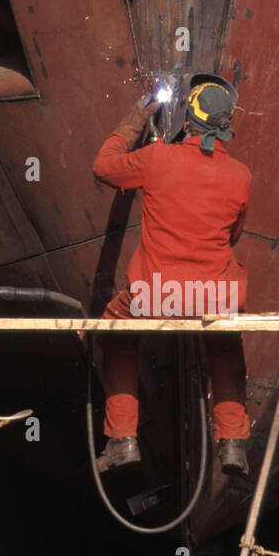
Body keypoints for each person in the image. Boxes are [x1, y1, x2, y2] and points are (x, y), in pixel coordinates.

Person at [91, 76, 252, 476]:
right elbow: (232, 235)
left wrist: (136, 117)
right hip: (216, 297)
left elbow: (103, 167)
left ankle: (122, 440)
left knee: (116, 333)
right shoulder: (241, 176)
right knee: (224, 343)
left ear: (189, 120)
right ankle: (232, 444)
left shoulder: (157, 158)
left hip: (155, 295)